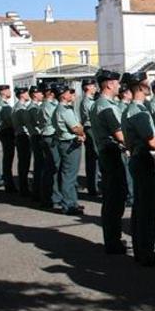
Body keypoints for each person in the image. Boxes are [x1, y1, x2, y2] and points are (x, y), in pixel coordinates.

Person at [121, 72, 155, 267]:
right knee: (148, 209)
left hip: (137, 157)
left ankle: (141, 249)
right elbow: (150, 138)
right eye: (146, 83)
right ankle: (147, 252)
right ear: (141, 87)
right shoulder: (138, 111)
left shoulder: (130, 109)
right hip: (144, 159)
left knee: (140, 207)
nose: (149, 85)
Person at [90, 69, 130, 255]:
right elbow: (119, 134)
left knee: (113, 198)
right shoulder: (104, 106)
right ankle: (113, 241)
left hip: (108, 152)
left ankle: (112, 238)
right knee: (114, 198)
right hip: (111, 152)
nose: (119, 86)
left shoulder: (101, 104)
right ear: (108, 84)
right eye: (116, 83)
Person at [52, 84, 85, 215]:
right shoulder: (65, 110)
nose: (72, 94)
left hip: (66, 142)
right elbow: (76, 128)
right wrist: (81, 133)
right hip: (69, 143)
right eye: (69, 92)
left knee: (69, 175)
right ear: (63, 95)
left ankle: (72, 202)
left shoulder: (60, 108)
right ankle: (68, 205)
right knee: (69, 176)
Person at [38, 83, 61, 208]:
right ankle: (53, 197)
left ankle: (50, 196)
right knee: (53, 168)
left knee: (50, 167)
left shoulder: (49, 105)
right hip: (50, 136)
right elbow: (57, 120)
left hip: (49, 136)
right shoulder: (48, 106)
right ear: (50, 92)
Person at [79, 78, 100, 198]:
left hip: (92, 128)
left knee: (94, 159)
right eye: (93, 86)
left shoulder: (91, 100)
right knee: (93, 158)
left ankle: (94, 186)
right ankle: (93, 187)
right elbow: (93, 116)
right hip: (90, 128)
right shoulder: (87, 101)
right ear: (87, 87)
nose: (95, 88)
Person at [0, 84, 17, 193]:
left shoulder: (3, 104)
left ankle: (9, 183)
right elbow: (10, 121)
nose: (10, 92)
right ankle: (9, 184)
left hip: (6, 132)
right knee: (8, 159)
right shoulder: (3, 106)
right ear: (3, 92)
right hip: (7, 132)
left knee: (8, 159)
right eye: (8, 90)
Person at [25, 86, 45, 202]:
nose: (42, 95)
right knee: (40, 165)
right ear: (34, 95)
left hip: (35, 136)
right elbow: (39, 122)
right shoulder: (33, 108)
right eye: (39, 93)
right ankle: (37, 191)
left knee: (39, 164)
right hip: (37, 137)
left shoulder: (34, 107)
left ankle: (37, 191)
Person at [11, 87, 32, 197]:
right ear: (22, 95)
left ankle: (23, 186)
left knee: (23, 162)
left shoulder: (16, 106)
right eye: (27, 93)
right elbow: (27, 123)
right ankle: (24, 188)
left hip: (20, 136)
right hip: (23, 136)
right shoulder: (21, 108)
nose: (28, 95)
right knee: (24, 163)